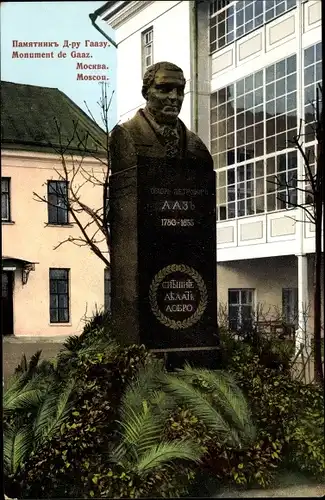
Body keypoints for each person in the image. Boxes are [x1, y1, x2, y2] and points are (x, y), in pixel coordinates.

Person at [110, 61, 212, 172]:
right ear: (145, 93)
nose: (174, 97)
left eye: (180, 91)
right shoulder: (124, 135)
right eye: (164, 90)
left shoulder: (197, 146)